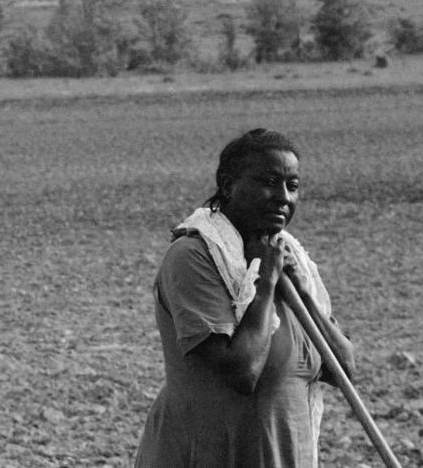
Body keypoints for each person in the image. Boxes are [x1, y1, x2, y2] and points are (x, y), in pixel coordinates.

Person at [134, 128, 356, 468]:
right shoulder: (194, 257)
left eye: (292, 185)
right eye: (269, 181)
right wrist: (264, 281)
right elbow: (243, 372)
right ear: (227, 186)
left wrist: (303, 294)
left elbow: (343, 369)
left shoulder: (291, 260)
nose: (283, 197)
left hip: (284, 454)